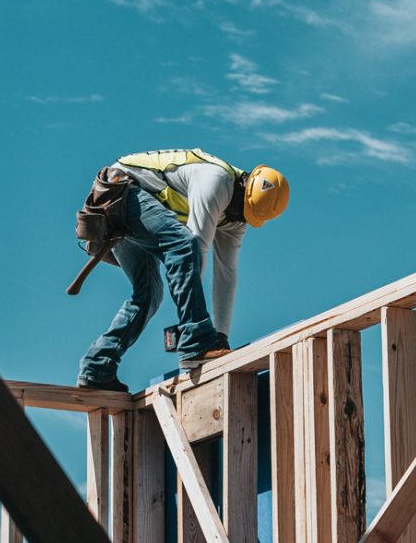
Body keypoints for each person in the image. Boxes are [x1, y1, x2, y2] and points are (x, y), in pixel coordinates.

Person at [76, 148, 289, 392]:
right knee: (183, 244)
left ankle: (97, 367)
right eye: (239, 209)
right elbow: (194, 248)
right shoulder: (216, 180)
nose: (236, 217)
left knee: (148, 295)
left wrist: (221, 336)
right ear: (243, 185)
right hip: (120, 192)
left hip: (133, 207)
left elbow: (226, 275)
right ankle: (196, 340)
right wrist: (197, 336)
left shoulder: (236, 218)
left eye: (244, 215)